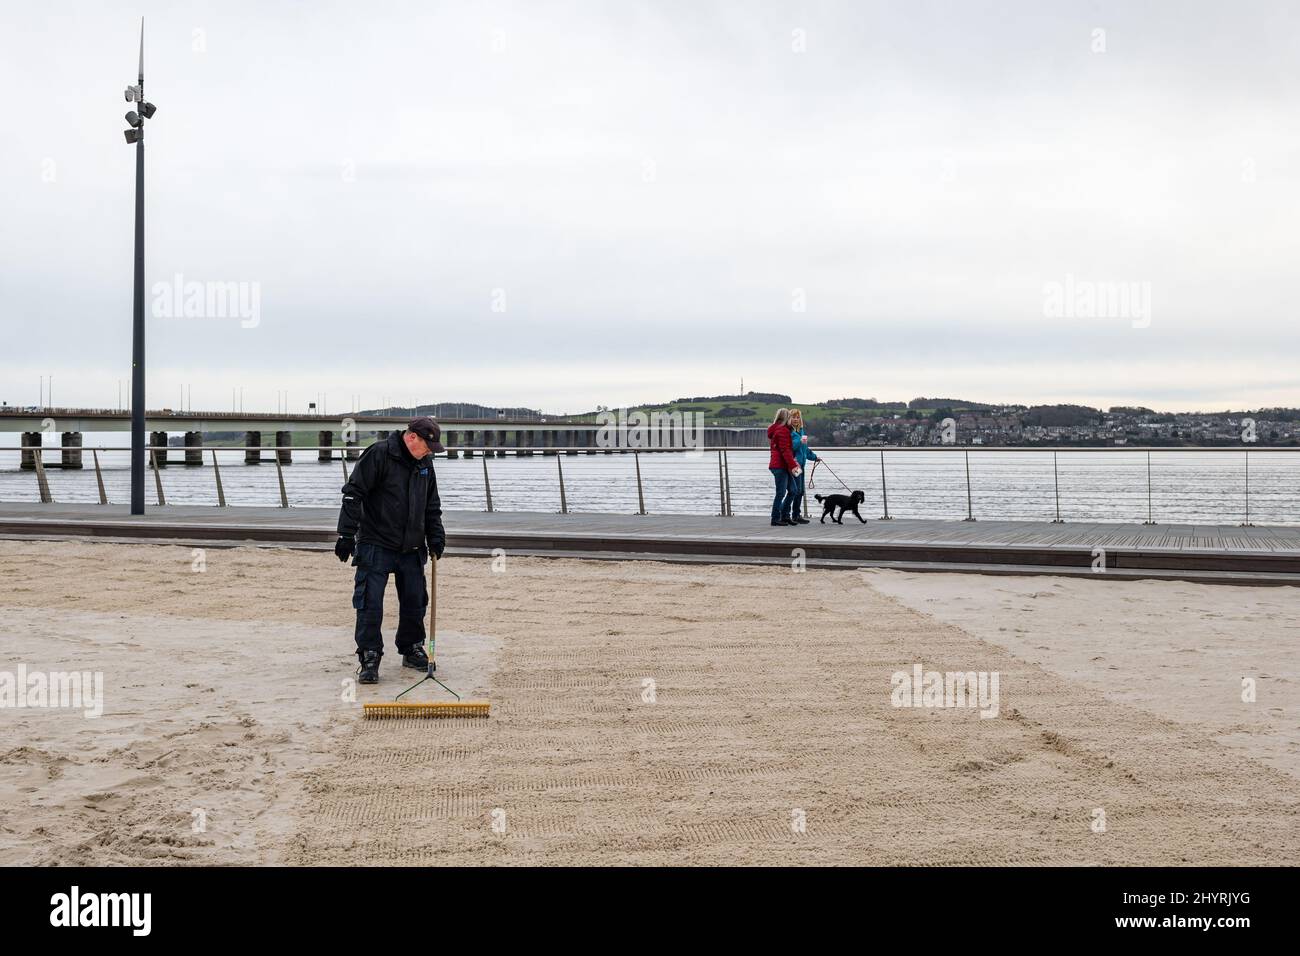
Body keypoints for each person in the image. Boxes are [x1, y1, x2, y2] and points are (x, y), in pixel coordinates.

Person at [333, 416, 447, 684]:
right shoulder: (379, 454)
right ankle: (370, 655)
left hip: (412, 546)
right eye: (427, 446)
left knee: (415, 600)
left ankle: (411, 648)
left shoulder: (425, 464)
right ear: (411, 437)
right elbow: (353, 493)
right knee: (369, 603)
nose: (430, 452)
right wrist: (346, 534)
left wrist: (436, 536)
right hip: (376, 542)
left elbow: (432, 505)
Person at [767, 408, 802, 526]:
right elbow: (785, 451)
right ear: (786, 418)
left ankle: (785, 515)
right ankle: (775, 518)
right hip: (780, 466)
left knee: (793, 490)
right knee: (781, 493)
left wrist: (791, 463)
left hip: (783, 465)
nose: (792, 420)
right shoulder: (782, 431)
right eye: (790, 417)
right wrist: (793, 466)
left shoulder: (782, 430)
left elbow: (786, 451)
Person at [787, 409, 818, 524]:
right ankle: (790, 515)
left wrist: (814, 457)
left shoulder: (801, 431)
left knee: (800, 491)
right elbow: (791, 448)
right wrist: (800, 441)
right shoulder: (789, 432)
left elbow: (805, 450)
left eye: (797, 417)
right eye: (793, 417)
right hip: (794, 466)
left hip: (802, 466)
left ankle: (796, 514)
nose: (796, 419)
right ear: (789, 419)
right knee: (796, 490)